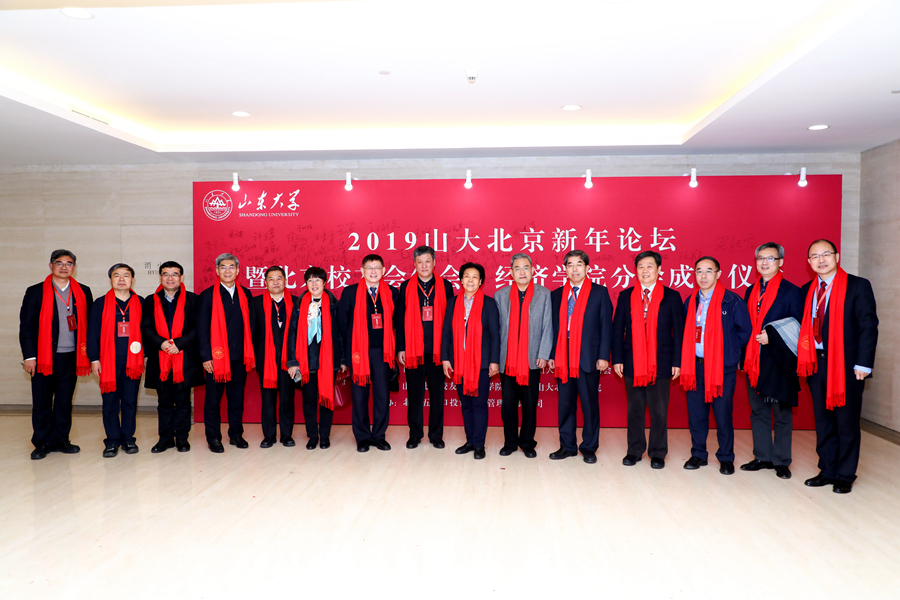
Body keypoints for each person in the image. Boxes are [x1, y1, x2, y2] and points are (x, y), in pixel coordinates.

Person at [799, 239, 878, 494]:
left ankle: (845, 475)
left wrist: (863, 363)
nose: (821, 260)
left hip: (847, 366)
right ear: (809, 262)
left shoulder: (857, 286)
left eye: (826, 254)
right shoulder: (807, 290)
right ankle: (827, 470)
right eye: (815, 256)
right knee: (823, 422)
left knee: (846, 423)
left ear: (837, 256)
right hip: (817, 365)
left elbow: (868, 326)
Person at [612, 250, 685, 469]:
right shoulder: (626, 296)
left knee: (659, 411)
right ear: (636, 270)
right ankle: (634, 450)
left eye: (649, 266)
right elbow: (617, 330)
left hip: (661, 362)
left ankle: (657, 452)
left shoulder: (671, 297)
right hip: (632, 361)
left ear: (659, 269)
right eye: (641, 266)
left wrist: (677, 361)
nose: (645, 270)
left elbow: (679, 332)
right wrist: (617, 358)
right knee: (634, 410)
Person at [680, 256, 752, 475]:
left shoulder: (732, 301)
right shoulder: (691, 301)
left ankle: (726, 457)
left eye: (709, 271)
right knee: (696, 415)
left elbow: (745, 332)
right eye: (699, 271)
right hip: (695, 367)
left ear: (718, 274)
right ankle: (698, 454)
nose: (703, 276)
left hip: (722, 368)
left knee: (722, 415)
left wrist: (728, 351)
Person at [19, 249, 93, 460]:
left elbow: (90, 325)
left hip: (72, 356)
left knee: (64, 401)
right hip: (43, 358)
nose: (63, 267)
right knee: (42, 402)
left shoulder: (83, 291)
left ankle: (61, 440)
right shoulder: (36, 291)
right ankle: (42, 442)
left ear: (74, 268)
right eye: (59, 263)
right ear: (51, 266)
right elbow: (27, 326)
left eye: (68, 263)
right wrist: (29, 356)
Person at [740, 243, 804, 479]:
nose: (764, 262)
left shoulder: (792, 291)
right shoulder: (751, 290)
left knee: (782, 414)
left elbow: (798, 326)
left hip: (779, 362)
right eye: (760, 258)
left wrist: (773, 337)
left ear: (781, 262)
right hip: (754, 361)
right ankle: (762, 456)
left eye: (770, 258)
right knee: (758, 411)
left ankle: (781, 461)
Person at [548, 249, 613, 464]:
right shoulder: (557, 295)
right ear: (565, 269)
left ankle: (589, 447)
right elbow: (552, 328)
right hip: (563, 356)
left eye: (579, 264)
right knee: (565, 405)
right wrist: (551, 355)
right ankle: (567, 446)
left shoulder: (599, 292)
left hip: (588, 357)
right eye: (570, 265)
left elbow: (606, 327)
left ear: (587, 268)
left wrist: (603, 355)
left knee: (589, 405)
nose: (574, 269)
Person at [396, 245, 454, 449]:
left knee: (438, 396)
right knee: (415, 396)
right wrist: (401, 347)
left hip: (438, 352)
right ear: (414, 263)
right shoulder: (405, 286)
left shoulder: (445, 286)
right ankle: (415, 434)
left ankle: (436, 435)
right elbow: (400, 320)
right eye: (419, 262)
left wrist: (448, 351)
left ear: (434, 263)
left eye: (427, 261)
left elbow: (450, 321)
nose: (423, 265)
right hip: (414, 352)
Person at [141, 261, 203, 453]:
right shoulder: (150, 300)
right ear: (160, 277)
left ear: (181, 277)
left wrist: (179, 344)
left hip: (184, 359)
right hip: (160, 359)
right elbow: (145, 328)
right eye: (166, 274)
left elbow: (198, 328)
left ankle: (182, 439)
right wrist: (161, 343)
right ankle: (165, 439)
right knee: (164, 402)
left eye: (174, 274)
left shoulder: (193, 300)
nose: (170, 278)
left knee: (183, 402)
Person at [495, 253, 553, 458]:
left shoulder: (544, 294)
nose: (522, 272)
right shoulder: (500, 295)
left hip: (532, 359)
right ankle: (510, 442)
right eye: (517, 268)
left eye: (526, 268)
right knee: (508, 405)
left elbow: (548, 326)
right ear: (511, 272)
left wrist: (544, 353)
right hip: (508, 360)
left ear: (532, 270)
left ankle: (527, 442)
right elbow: (496, 330)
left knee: (529, 406)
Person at [339, 254, 398, 453]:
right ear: (362, 270)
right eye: (369, 268)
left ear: (384, 271)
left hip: (383, 353)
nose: (373, 271)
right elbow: (343, 325)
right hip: (358, 353)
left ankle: (379, 436)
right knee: (359, 397)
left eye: (377, 268)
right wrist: (346, 356)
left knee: (382, 396)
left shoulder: (392, 293)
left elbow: (396, 322)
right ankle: (362, 437)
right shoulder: (350, 293)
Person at [441, 263, 500, 460]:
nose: (470, 280)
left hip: (481, 364)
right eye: (467, 276)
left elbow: (495, 335)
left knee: (479, 404)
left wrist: (494, 361)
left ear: (481, 281)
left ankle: (479, 445)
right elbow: (446, 333)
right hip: (458, 363)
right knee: (465, 405)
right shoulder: (452, 303)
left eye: (475, 277)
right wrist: (445, 358)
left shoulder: (489, 303)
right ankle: (470, 441)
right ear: (461, 280)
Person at [198, 253, 255, 453]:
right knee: (213, 401)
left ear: (237, 270)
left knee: (236, 400)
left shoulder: (245, 294)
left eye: (231, 267)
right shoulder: (207, 295)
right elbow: (202, 328)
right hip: (216, 358)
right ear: (217, 270)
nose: (227, 270)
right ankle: (213, 437)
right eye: (223, 267)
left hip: (239, 357)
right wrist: (205, 356)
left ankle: (236, 435)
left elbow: (251, 325)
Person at [87, 264, 144, 458]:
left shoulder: (141, 302)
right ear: (110, 279)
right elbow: (92, 332)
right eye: (116, 275)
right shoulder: (100, 303)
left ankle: (128, 439)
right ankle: (112, 441)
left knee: (130, 401)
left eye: (126, 275)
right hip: (108, 362)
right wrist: (94, 358)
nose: (121, 279)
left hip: (133, 362)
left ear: (132, 279)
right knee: (110, 402)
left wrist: (145, 355)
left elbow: (147, 330)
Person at [287, 267, 345, 450]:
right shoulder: (299, 306)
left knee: (326, 398)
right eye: (310, 280)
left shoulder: (335, 305)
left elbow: (342, 334)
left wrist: (343, 360)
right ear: (306, 283)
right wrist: (292, 361)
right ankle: (312, 436)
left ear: (324, 283)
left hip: (329, 361)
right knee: (309, 399)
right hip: (307, 361)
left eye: (318, 280)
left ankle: (325, 435)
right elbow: (292, 334)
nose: (314, 284)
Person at [251, 266, 298, 448]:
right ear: (265, 282)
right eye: (271, 279)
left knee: (287, 399)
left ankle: (286, 435)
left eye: (279, 278)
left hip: (289, 362)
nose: (276, 282)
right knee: (268, 401)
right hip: (266, 361)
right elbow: (252, 333)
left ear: (285, 281)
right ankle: (269, 436)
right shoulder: (256, 303)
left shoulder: (296, 302)